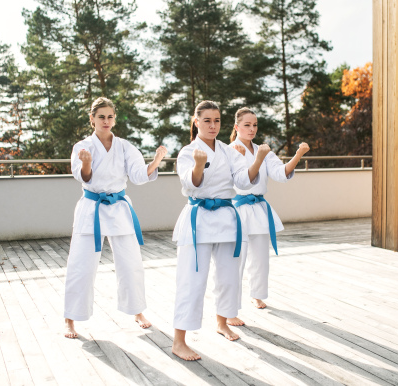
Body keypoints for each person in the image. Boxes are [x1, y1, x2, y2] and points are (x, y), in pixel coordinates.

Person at [171, 100, 270, 361]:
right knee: (192, 280)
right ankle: (179, 340)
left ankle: (222, 321)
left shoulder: (229, 151)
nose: (213, 125)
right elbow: (189, 185)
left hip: (227, 218)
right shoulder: (188, 151)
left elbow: (242, 180)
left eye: (216, 121)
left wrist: (258, 160)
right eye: (207, 120)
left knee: (228, 277)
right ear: (196, 122)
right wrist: (197, 166)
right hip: (198, 219)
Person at [64, 97, 167, 339]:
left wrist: (156, 161)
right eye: (101, 116)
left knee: (131, 264)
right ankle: (70, 318)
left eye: (110, 116)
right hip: (92, 207)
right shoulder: (82, 146)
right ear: (92, 119)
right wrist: (87, 163)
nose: (106, 121)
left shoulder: (125, 147)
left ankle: (137, 311)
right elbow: (83, 177)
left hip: (119, 207)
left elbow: (139, 175)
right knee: (81, 266)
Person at [226, 107, 310, 327]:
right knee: (236, 260)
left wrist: (298, 155)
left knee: (261, 258)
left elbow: (281, 173)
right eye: (247, 125)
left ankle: (257, 293)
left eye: (254, 125)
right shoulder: (229, 151)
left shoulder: (264, 151)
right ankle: (230, 309)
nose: (252, 129)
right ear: (237, 127)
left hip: (260, 209)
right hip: (238, 209)